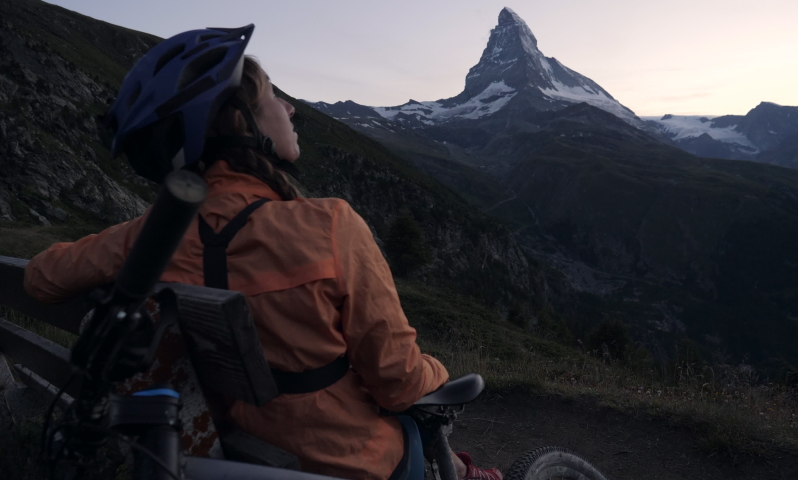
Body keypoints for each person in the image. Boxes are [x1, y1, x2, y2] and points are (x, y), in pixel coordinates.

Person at [23, 25, 502, 480]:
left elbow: (41, 277)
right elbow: (397, 381)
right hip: (352, 462)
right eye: (274, 95)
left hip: (246, 448)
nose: (290, 108)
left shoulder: (154, 235)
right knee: (416, 425)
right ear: (238, 120)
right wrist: (437, 369)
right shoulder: (327, 223)